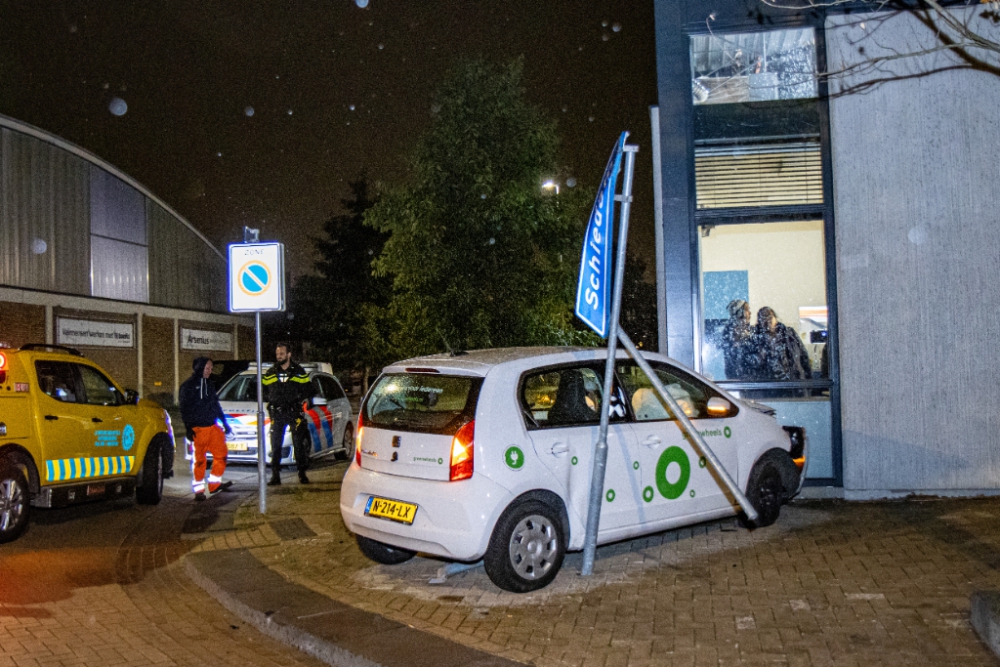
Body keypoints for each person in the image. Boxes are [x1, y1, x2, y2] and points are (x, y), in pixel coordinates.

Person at [179, 357, 232, 501]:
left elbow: (215, 404)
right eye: (207, 368)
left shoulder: (209, 385)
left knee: (221, 455)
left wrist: (224, 422)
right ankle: (199, 491)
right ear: (199, 368)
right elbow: (184, 409)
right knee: (200, 461)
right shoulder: (188, 386)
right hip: (198, 429)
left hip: (212, 427)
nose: (210, 371)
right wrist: (189, 428)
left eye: (211, 368)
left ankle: (214, 484)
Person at [262, 343, 314, 485]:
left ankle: (302, 474)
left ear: (289, 354)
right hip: (277, 413)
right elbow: (264, 391)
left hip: (294, 412)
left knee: (298, 445)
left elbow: (308, 390)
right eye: (277, 354)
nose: (279, 356)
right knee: (276, 444)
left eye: (282, 354)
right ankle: (275, 475)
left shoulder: (298, 371)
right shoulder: (271, 372)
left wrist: (305, 400)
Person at [752, 307, 812, 380]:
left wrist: (809, 382)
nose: (769, 320)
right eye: (764, 318)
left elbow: (803, 357)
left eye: (770, 316)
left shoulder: (789, 334)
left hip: (794, 383)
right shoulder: (757, 340)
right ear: (760, 322)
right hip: (769, 386)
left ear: (775, 318)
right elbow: (756, 366)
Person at [721, 299, 757, 380]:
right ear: (740, 312)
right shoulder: (730, 332)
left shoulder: (752, 330)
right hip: (736, 378)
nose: (750, 313)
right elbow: (733, 356)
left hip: (751, 378)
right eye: (747, 310)